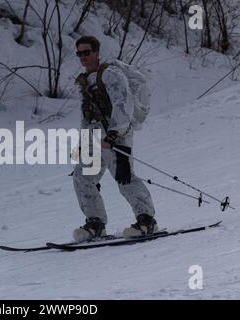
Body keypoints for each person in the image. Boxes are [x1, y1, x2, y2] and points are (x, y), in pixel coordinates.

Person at [72, 36, 158, 242]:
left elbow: (123, 103)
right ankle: (95, 224)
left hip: (116, 135)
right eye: (79, 54)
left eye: (87, 52)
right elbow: (87, 115)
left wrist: (114, 134)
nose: (83, 57)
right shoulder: (85, 80)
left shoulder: (110, 74)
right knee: (82, 176)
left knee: (124, 176)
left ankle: (147, 221)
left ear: (96, 52)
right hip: (95, 137)